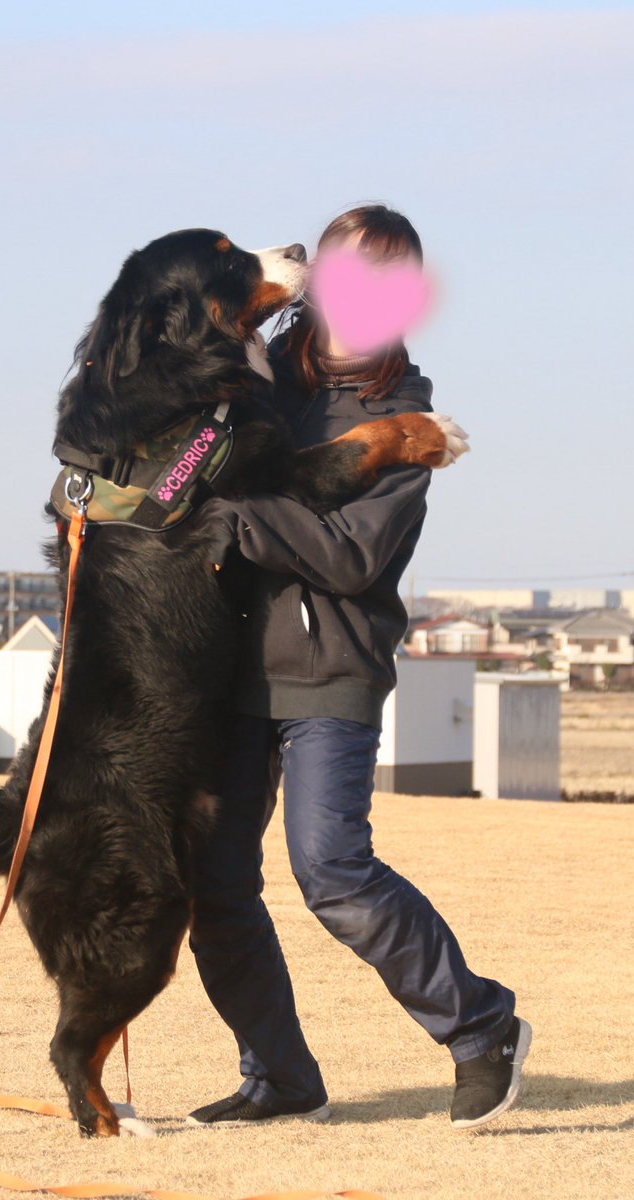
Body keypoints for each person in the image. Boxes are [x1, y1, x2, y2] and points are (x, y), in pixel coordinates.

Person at [188, 204, 531, 1131]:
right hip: (225, 675)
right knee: (212, 885)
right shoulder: (253, 380)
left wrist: (237, 516)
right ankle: (280, 1078)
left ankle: (479, 1027)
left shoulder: (405, 418)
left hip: (328, 670)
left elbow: (350, 559)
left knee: (331, 869)